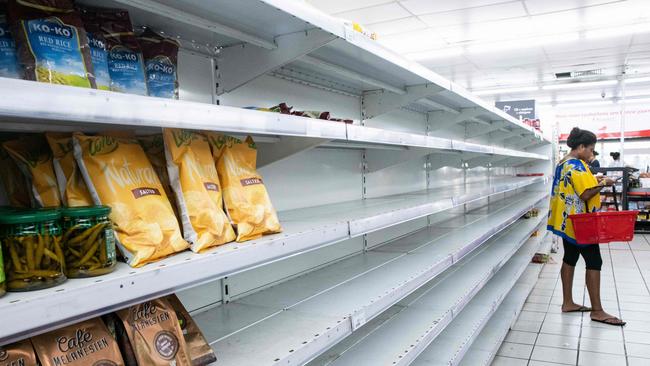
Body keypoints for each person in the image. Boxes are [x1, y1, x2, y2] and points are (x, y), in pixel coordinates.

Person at [547, 127, 625, 326]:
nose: (592, 153)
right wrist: (604, 182)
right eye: (590, 149)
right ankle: (597, 311)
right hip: (581, 223)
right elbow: (585, 194)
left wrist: (595, 180)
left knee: (570, 257)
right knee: (594, 261)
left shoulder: (563, 163)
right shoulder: (577, 165)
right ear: (581, 147)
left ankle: (567, 302)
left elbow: (574, 185)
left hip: (567, 221)